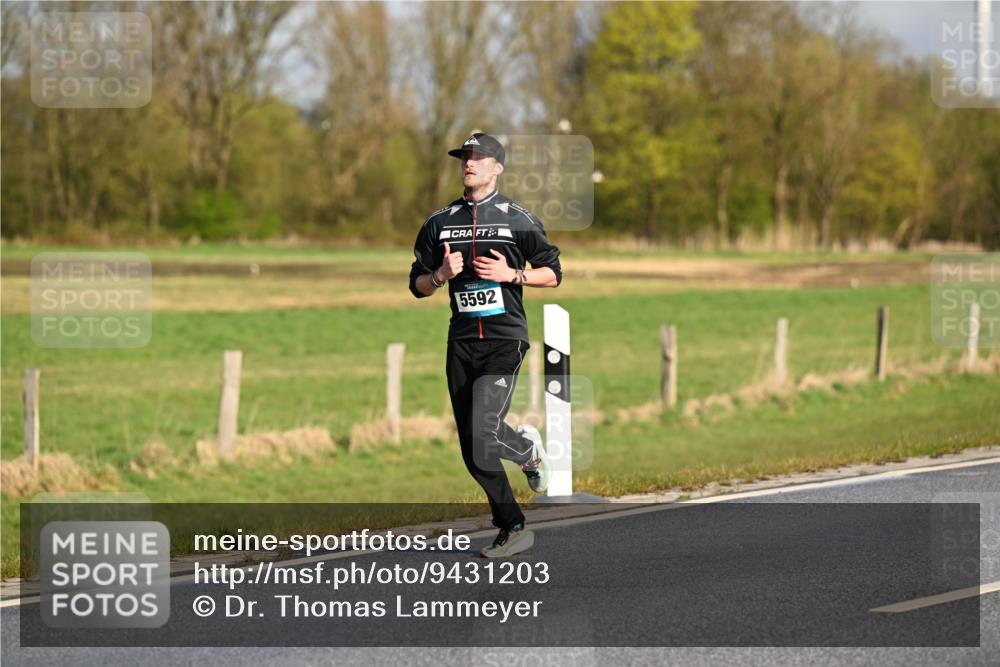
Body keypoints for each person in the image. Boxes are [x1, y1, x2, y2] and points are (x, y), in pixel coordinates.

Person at [408, 132, 563, 558]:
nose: (469, 164)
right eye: (465, 158)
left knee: (484, 431)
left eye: (478, 158)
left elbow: (552, 273)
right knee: (473, 451)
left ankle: (521, 486)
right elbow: (416, 285)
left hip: (503, 339)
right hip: (461, 342)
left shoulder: (518, 218)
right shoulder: (440, 221)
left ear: (497, 167)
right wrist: (439, 275)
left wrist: (511, 276)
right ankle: (519, 495)